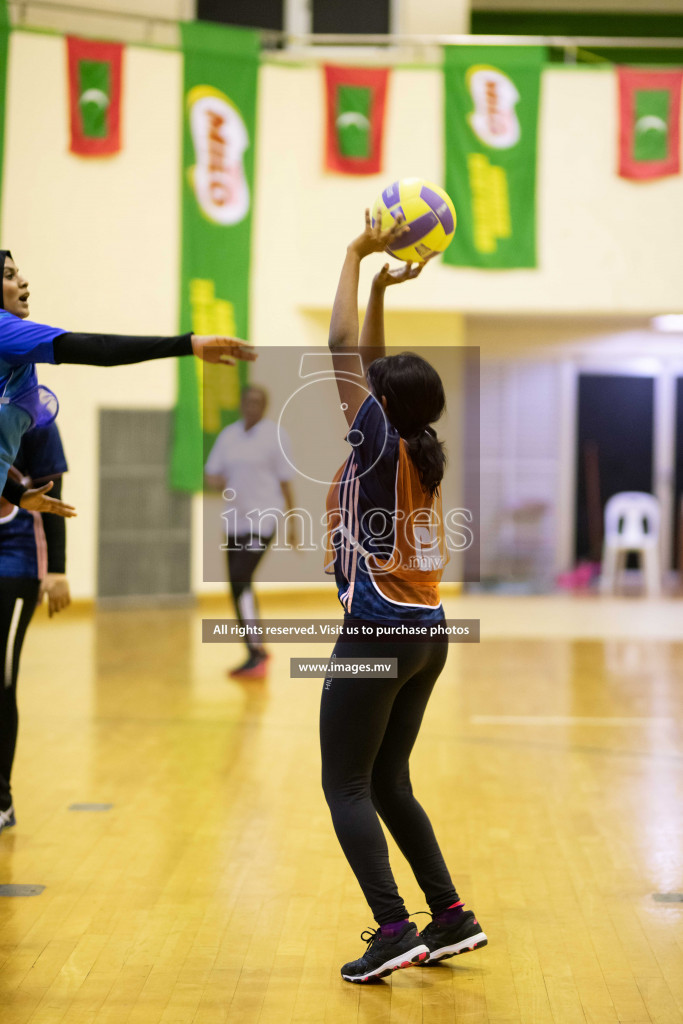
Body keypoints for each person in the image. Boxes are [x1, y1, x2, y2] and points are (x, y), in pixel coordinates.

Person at [320, 211, 487, 983]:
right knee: (388, 780)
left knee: (346, 783)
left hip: (376, 636)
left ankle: (393, 929)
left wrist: (356, 253)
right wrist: (386, 289)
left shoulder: (377, 441)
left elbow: (341, 350)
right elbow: (371, 359)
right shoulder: (414, 443)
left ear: (379, 407)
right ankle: (448, 915)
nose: (362, 384)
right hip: (427, 635)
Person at [0, 248, 256, 500]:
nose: (23, 281)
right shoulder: (5, 329)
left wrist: (16, 494)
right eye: (9, 275)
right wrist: (188, 344)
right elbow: (101, 349)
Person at [0, 421, 71, 834]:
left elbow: (52, 496)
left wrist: (58, 569)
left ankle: (2, 799)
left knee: (2, 677)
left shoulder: (37, 418)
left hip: (17, 556)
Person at [205, 385, 296, 679]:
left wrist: (293, 524)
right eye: (248, 400)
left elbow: (286, 483)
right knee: (237, 586)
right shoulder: (229, 436)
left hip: (263, 522)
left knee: (242, 578)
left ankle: (257, 653)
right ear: (242, 403)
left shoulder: (276, 437)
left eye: (258, 401)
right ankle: (255, 650)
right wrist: (217, 480)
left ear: (265, 405)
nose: (252, 405)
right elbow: (212, 472)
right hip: (235, 523)